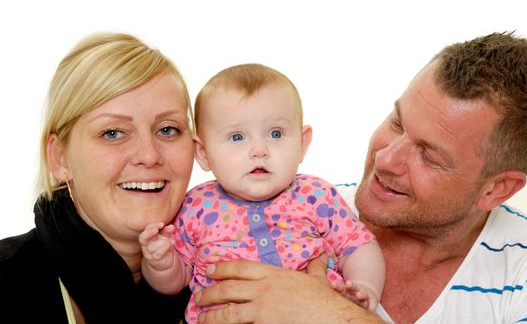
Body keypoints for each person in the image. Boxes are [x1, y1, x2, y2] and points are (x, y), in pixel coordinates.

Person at [194, 32, 527, 324]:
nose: (386, 158)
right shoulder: (304, 210)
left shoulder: (519, 267)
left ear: (497, 189)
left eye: (429, 155)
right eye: (397, 122)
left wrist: (330, 314)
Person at [140, 63, 385, 323]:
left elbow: (358, 245)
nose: (259, 149)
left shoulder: (315, 195)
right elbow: (177, 280)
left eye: (276, 134)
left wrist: (364, 288)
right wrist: (161, 262)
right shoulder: (195, 206)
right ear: (202, 153)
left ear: (302, 144)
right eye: (237, 137)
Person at [0, 32, 195, 323]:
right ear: (59, 157)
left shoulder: (244, 272)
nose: (149, 155)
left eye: (167, 129)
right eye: (112, 133)